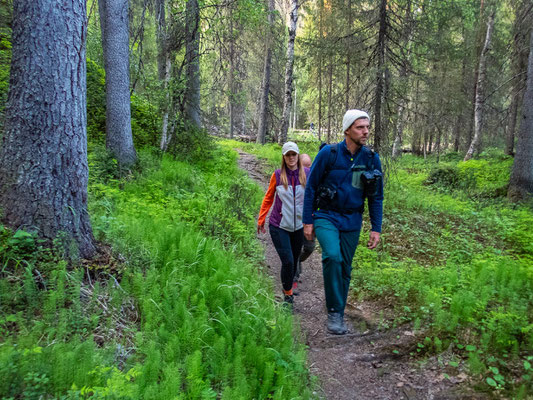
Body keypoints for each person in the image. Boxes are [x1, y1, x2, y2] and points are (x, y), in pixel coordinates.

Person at [303, 110, 383, 334]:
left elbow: (376, 196)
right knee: (332, 256)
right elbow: (310, 188)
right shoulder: (329, 153)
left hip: (352, 219)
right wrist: (307, 221)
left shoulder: (370, 159)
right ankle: (334, 312)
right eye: (360, 127)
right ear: (347, 129)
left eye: (367, 127)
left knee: (345, 267)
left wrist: (376, 228)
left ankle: (338, 308)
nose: (365, 131)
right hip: (326, 215)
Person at [258, 142, 310, 305]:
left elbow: (312, 198)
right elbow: (268, 197)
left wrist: (313, 220)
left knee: (294, 260)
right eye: (288, 155)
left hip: (298, 227)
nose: (291, 158)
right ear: (284, 157)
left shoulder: (307, 174)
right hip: (279, 226)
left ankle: (289, 287)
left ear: (298, 156)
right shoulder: (278, 175)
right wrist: (261, 218)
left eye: (294, 154)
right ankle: (288, 296)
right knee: (287, 260)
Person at [293, 153, 315, 294]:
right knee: (294, 249)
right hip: (294, 221)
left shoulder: (314, 180)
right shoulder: (293, 179)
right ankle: (292, 280)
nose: (307, 169)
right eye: (305, 166)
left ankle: (296, 262)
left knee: (309, 248)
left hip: (310, 221)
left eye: (309, 166)